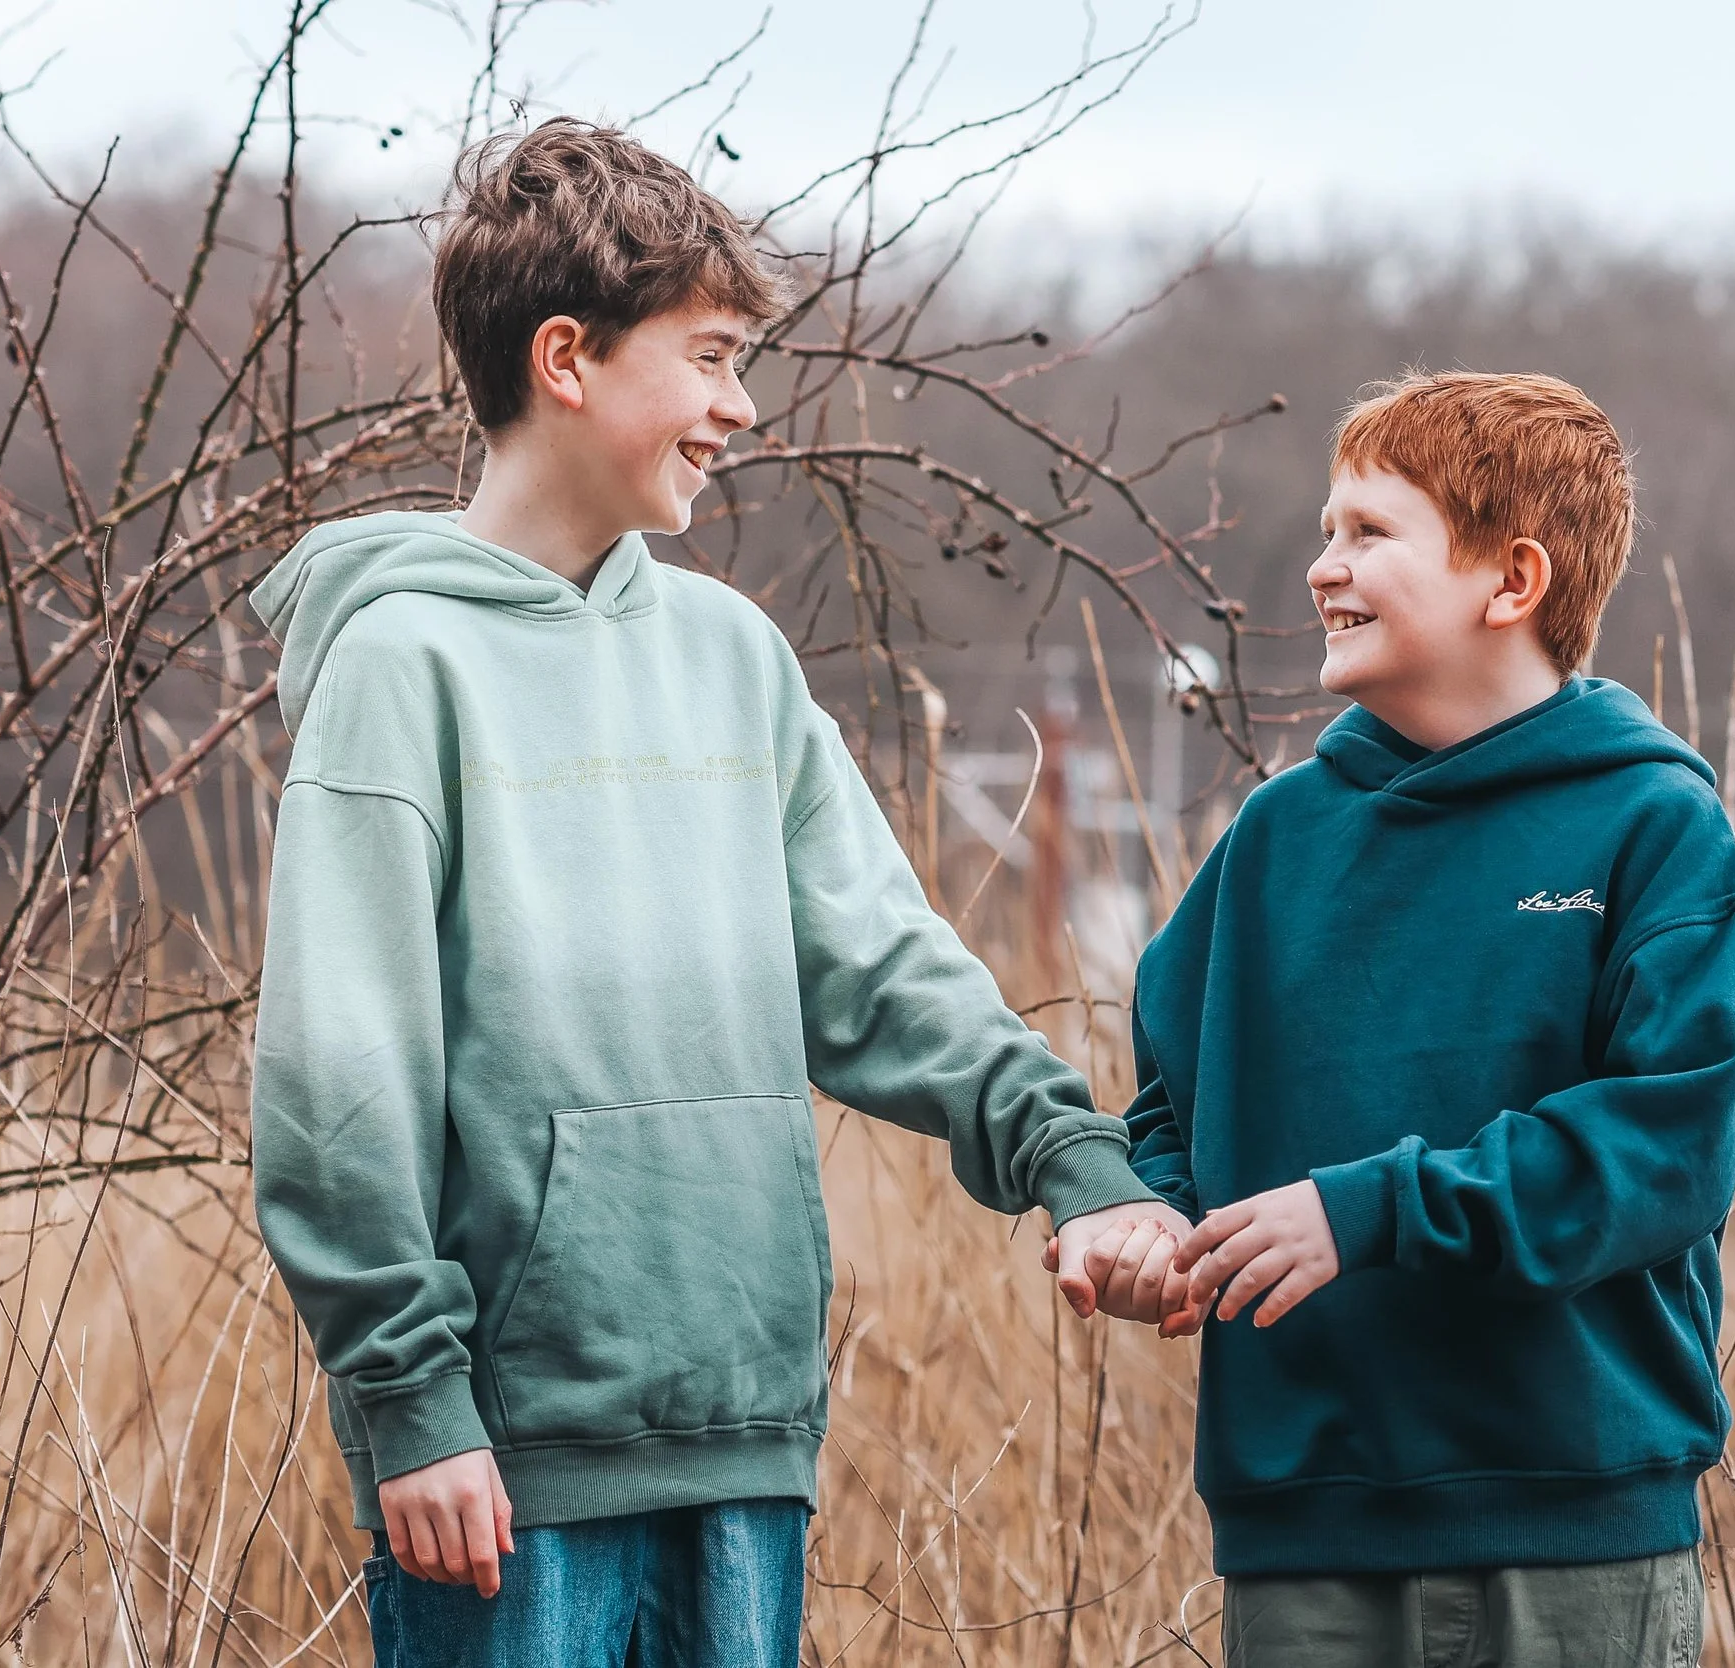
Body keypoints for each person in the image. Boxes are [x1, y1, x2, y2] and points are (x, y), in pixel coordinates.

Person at [247, 117, 1174, 1667]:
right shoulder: (402, 665)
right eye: (712, 358)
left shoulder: (731, 654)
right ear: (567, 358)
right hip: (504, 1471)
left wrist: (1072, 1153)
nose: (741, 407)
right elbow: (340, 1079)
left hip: (744, 1438)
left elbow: (880, 968)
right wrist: (411, 1399)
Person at [1083, 371, 1735, 1666]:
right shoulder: (1275, 840)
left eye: (1368, 532)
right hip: (1305, 1537)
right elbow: (1174, 1100)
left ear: (1512, 581)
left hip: (1576, 1530)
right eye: (1325, 530)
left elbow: (1673, 1142)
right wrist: (1155, 1225)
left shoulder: (1654, 828)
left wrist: (1373, 1212)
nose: (1321, 567)